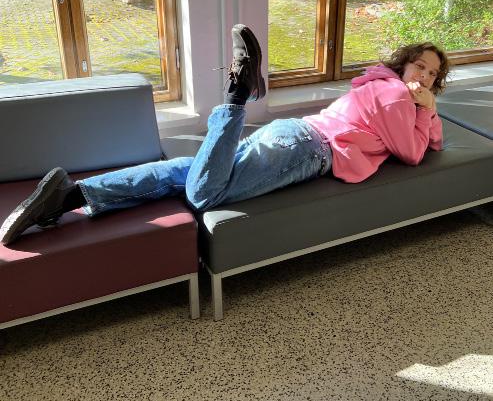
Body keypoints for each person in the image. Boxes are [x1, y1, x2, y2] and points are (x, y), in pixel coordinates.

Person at [0, 25, 449, 246]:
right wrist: (427, 110)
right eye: (419, 66)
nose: (424, 77)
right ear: (403, 65)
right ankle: (237, 96)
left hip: (294, 135)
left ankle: (70, 196)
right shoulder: (396, 96)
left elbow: (428, 143)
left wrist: (425, 112)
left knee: (187, 172)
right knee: (205, 194)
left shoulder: (378, 85)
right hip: (310, 150)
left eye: (432, 74)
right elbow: (413, 153)